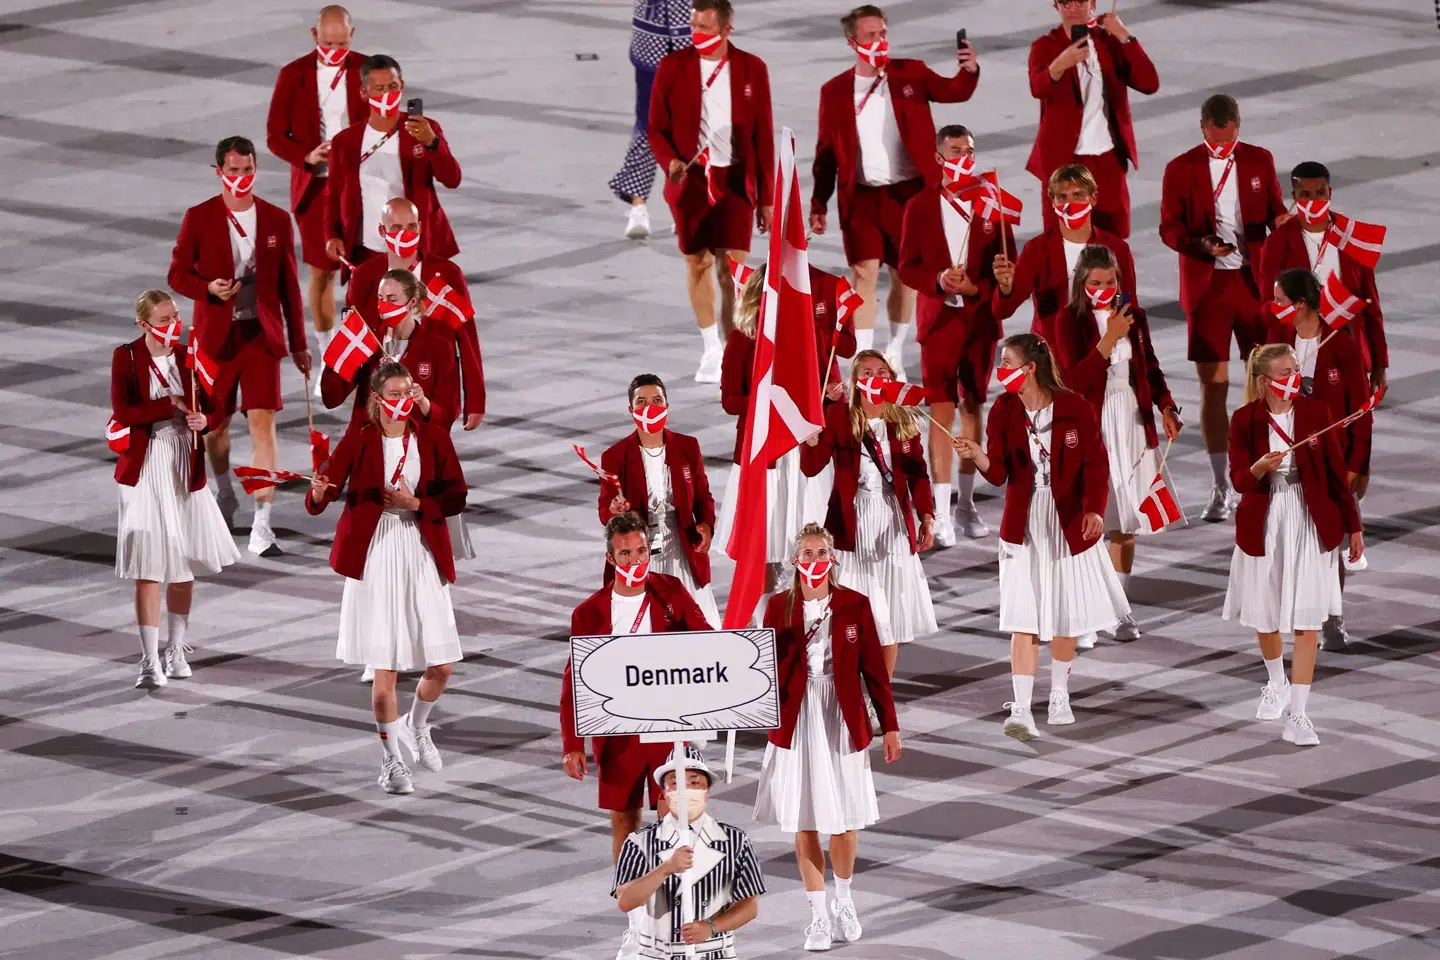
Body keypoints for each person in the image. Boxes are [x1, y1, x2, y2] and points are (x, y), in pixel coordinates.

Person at [954, 334, 1129, 739]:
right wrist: (977, 455)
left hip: (1068, 521)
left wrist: (1095, 511)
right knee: (1023, 617)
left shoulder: (1074, 408)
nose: (1001, 369)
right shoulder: (1003, 409)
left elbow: (1096, 466)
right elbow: (999, 474)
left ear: (1029, 367)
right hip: (1024, 522)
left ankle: (1059, 694)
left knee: (1065, 613)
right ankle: (1021, 708)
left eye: (1007, 361)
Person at [306, 360, 468, 794]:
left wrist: (416, 504)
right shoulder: (361, 438)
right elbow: (327, 487)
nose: (402, 401)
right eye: (393, 395)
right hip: (377, 552)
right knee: (386, 667)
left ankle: (417, 727)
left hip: (421, 547)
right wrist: (318, 492)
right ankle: (391, 760)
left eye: (407, 392)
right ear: (377, 399)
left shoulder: (431, 437)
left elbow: (456, 495)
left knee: (443, 663)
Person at [560, 513, 714, 960]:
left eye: (642, 550)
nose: (635, 559)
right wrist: (572, 743)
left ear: (651, 550)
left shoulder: (671, 592)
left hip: (667, 729)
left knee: (679, 819)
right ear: (611, 558)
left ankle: (685, 919)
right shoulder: (589, 611)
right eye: (625, 552)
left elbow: (705, 638)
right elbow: (575, 680)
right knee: (626, 826)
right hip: (619, 734)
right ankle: (635, 926)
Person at [810, 4, 980, 377]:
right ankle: (868, 358)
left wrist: (968, 73)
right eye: (871, 35)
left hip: (909, 197)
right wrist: (819, 203)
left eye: (883, 33)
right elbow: (825, 151)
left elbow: (953, 91)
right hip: (862, 198)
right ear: (852, 41)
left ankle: (896, 350)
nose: (879, 41)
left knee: (905, 278)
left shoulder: (911, 73)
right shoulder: (835, 91)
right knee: (863, 276)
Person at [752, 524, 900, 952]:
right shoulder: (777, 606)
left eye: (821, 552)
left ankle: (845, 900)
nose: (814, 560)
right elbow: (762, 669)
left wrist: (889, 724)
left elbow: (874, 669)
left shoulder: (855, 604)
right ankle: (817, 916)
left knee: (846, 818)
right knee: (804, 820)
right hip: (797, 718)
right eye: (807, 552)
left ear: (832, 558)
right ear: (795, 559)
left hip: (841, 714)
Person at [167, 135, 309, 556]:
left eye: (248, 170)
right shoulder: (200, 217)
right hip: (216, 338)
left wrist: (298, 343)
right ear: (219, 172)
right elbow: (176, 275)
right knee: (217, 424)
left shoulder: (277, 220)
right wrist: (208, 289)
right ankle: (225, 491)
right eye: (233, 171)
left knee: (263, 423)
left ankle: (263, 524)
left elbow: (288, 287)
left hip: (260, 337)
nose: (241, 178)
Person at [1221, 343, 1363, 746]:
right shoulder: (1244, 419)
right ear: (1265, 381)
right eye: (1286, 371)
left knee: (1307, 618)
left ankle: (1299, 714)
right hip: (1265, 520)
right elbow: (1239, 481)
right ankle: (1276, 681)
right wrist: (1258, 468)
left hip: (1308, 519)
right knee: (1265, 614)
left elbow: (1336, 473)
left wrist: (1353, 527)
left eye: (1296, 368)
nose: (1295, 377)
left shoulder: (1315, 412)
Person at [1159, 94, 1286, 522]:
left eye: (1229, 143)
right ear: (1202, 128)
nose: (1223, 149)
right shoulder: (1181, 168)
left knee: (1266, 385)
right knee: (1213, 388)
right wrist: (1202, 245)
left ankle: (1266, 476)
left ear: (1238, 128)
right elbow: (1168, 227)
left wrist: (1286, 223)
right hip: (1208, 288)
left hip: (1253, 286)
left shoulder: (1259, 160)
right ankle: (1220, 486)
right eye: (1216, 143)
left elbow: (1274, 212)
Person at [1049, 245, 1182, 642]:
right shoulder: (1068, 322)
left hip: (1131, 422)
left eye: (1110, 282)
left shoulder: (1134, 316)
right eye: (1095, 283)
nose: (1104, 289)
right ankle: (1090, 608)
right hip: (1093, 422)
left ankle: (1119, 610)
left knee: (1125, 523)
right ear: (1081, 284)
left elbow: (1150, 368)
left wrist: (1167, 407)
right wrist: (1107, 339)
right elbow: (1072, 381)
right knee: (1092, 521)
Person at [112, 290, 241, 689]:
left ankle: (175, 648)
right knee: (149, 565)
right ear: (143, 323)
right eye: (164, 319)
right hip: (148, 462)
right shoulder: (127, 356)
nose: (174, 325)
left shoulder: (190, 355)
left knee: (183, 562)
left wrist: (206, 419)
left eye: (175, 317)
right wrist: (165, 406)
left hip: (186, 461)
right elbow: (123, 411)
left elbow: (218, 403)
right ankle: (149, 659)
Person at [647, 0, 774, 383]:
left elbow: (763, 136)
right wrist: (669, 160)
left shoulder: (752, 69)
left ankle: (734, 349)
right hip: (691, 181)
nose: (697, 35)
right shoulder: (673, 67)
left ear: (727, 28)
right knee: (698, 263)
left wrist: (766, 197)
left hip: (735, 181)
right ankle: (710, 349)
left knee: (732, 270)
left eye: (705, 28)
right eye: (694, 27)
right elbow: (655, 127)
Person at [896, 125, 1010, 544]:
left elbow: (1006, 264)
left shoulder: (990, 204)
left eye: (970, 150)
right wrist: (940, 279)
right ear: (940, 158)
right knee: (941, 411)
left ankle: (966, 505)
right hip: (939, 322)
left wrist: (979, 288)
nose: (964, 158)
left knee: (973, 408)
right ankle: (940, 513)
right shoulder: (921, 206)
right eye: (956, 151)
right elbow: (907, 265)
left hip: (978, 321)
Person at [801, 351, 937, 676]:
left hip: (893, 520)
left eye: (882, 371)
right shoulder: (838, 418)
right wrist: (810, 441)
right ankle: (852, 687)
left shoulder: (904, 420)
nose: (876, 377)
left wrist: (927, 516)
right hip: (853, 522)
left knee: (890, 616)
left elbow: (918, 474)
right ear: (857, 381)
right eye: (867, 371)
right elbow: (811, 467)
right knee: (859, 615)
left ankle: (880, 697)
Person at [1261, 269, 1371, 651]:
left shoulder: (1341, 346)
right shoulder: (1277, 340)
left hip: (1331, 460)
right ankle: (1289, 612)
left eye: (1279, 300)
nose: (1272, 307)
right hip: (1285, 460)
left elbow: (1360, 410)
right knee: (1284, 537)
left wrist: (1358, 464)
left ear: (1302, 304)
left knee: (1329, 541)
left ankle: (1332, 617)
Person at [265, 5, 367, 369]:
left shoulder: (369, 69)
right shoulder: (293, 75)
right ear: (314, 36)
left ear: (352, 37)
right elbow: (276, 137)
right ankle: (329, 355)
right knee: (322, 273)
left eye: (341, 43)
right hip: (316, 190)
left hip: (362, 186)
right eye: (327, 43)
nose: (334, 50)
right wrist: (307, 156)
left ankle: (371, 349)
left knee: (369, 270)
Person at [342, 200, 486, 431]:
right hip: (380, 391)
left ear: (420, 227)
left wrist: (475, 401)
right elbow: (352, 335)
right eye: (396, 228)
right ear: (382, 231)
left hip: (433, 391)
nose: (405, 234)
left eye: (411, 227)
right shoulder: (365, 276)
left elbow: (467, 338)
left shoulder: (447, 275)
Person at [715, 266, 815, 590]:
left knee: (799, 543)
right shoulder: (742, 339)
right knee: (760, 546)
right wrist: (765, 405)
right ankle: (760, 623)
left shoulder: (801, 339)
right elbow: (730, 400)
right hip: (759, 454)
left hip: (795, 457)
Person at [614, 750, 764, 959]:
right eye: (676, 783)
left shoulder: (736, 841)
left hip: (715, 953)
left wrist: (711, 927)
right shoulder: (639, 842)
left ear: (706, 791)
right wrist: (665, 869)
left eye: (694, 783)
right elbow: (625, 901)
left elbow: (750, 905)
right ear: (664, 793)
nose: (685, 790)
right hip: (656, 955)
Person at [1027, 0, 1158, 239]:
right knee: (1061, 240)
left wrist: (1124, 36)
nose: (1073, 8)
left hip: (1108, 160)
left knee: (1113, 239)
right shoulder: (1045, 46)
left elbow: (1149, 83)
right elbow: (1038, 87)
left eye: (1080, 1)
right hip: (1064, 160)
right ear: (1055, 5)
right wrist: (1061, 64)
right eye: (1066, 2)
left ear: (1093, 3)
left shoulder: (1109, 41)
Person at [599, 374, 721, 627]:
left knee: (694, 622)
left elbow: (702, 495)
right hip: (640, 554)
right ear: (631, 409)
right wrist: (614, 511)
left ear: (667, 405)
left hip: (682, 548)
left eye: (656, 399)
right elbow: (605, 509)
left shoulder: (687, 446)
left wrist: (707, 526)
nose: (650, 407)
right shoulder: (614, 456)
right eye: (642, 402)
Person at [1259, 161, 1386, 392]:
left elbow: (1371, 307)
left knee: (1351, 424)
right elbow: (1268, 306)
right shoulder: (1277, 243)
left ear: (1330, 193)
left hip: (1348, 352)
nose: (1314, 201)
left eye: (1320, 193)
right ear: (1294, 197)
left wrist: (1380, 365)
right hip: (1298, 356)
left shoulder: (1352, 236)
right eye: (1305, 195)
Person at [326, 54, 462, 270]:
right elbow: (334, 193)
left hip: (418, 247)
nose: (387, 94)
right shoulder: (345, 142)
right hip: (367, 250)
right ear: (364, 92)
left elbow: (452, 179)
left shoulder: (426, 129)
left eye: (393, 86)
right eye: (379, 89)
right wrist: (332, 234)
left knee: (422, 303)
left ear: (402, 87)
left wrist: (432, 143)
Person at [992, 162, 1138, 344]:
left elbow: (1128, 305)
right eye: (1062, 197)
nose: (1070, 204)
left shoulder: (1117, 249)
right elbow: (1002, 311)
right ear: (1053, 202)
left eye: (1078, 195)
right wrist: (1005, 290)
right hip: (1051, 354)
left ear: (1093, 198)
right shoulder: (1036, 249)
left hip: (1102, 347)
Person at [610, 0, 693, 240]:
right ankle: (638, 207)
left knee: (688, 126)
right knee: (647, 125)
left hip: (692, 36)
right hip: (651, 40)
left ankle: (683, 207)